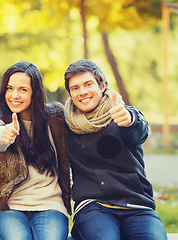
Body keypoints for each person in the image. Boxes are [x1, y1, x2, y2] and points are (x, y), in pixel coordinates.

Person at [63, 59, 167, 240]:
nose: (83, 92)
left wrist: (130, 121)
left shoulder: (122, 113)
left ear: (102, 86)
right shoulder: (66, 124)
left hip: (136, 206)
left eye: (88, 84)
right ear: (70, 94)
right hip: (93, 208)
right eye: (75, 88)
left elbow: (139, 131)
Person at [0, 61, 71, 240]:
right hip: (8, 208)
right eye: (9, 88)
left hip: (50, 206)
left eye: (23, 89)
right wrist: (5, 135)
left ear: (35, 92)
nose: (14, 95)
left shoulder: (54, 119)